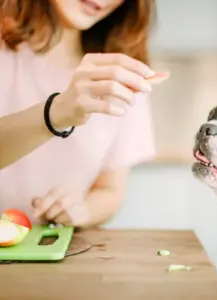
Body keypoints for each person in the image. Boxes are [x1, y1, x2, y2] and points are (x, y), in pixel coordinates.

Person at [0, 0, 156, 228]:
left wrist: (83, 210)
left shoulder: (124, 74)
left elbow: (110, 189)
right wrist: (57, 113)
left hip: (60, 254)